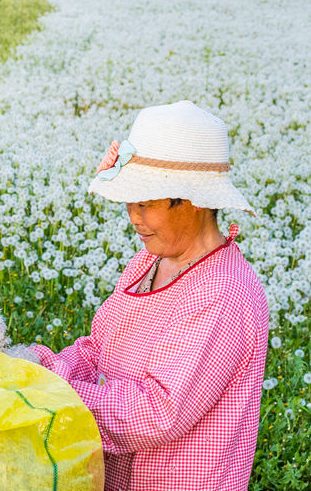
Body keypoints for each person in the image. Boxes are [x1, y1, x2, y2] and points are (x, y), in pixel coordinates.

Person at [30, 101, 268, 490]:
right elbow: (99, 350)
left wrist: (51, 394)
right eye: (130, 201)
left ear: (193, 200)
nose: (133, 217)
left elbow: (158, 412)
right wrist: (33, 366)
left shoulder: (224, 294)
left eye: (147, 203)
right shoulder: (149, 260)